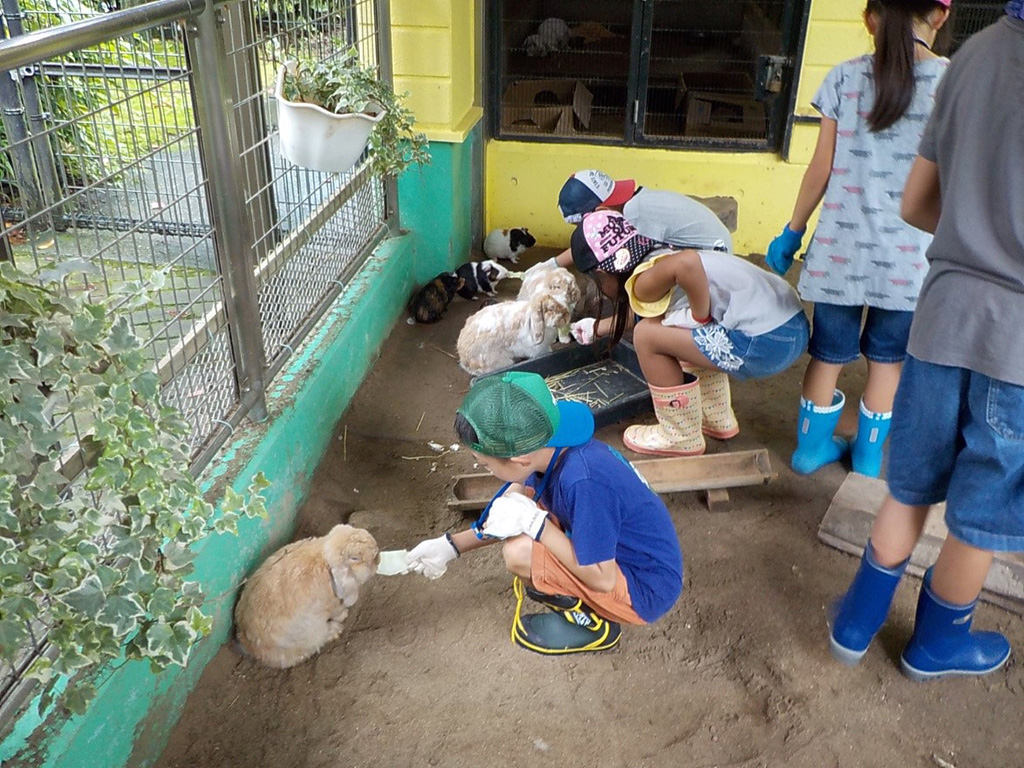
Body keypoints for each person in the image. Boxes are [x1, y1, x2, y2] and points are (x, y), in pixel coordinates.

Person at [829, 5, 1024, 681]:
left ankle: (855, 622)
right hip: (1018, 342)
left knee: (910, 484)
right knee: (984, 510)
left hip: (940, 314)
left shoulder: (974, 55)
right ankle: (938, 642)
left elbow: (917, 203)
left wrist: (976, 233)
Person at [765, 0, 951, 478]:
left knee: (827, 355)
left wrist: (793, 229)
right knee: (887, 363)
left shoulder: (844, 78)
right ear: (940, 17)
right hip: (908, 262)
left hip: (838, 257)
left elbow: (821, 169)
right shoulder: (953, 82)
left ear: (870, 19)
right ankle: (868, 458)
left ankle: (809, 451)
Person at [405, 371, 683, 654]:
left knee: (520, 553)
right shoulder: (551, 441)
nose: (483, 469)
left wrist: (537, 525)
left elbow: (603, 578)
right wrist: (452, 546)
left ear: (519, 459)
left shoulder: (584, 482)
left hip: (643, 588)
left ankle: (591, 625)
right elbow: (507, 512)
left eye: (485, 464)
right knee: (520, 497)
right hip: (622, 555)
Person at [570, 210, 808, 457]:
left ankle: (679, 436)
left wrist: (699, 316)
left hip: (765, 341)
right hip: (791, 328)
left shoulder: (644, 281)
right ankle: (716, 417)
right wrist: (597, 327)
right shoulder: (656, 257)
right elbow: (657, 313)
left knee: (646, 336)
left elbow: (687, 263)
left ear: (602, 272)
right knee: (673, 332)